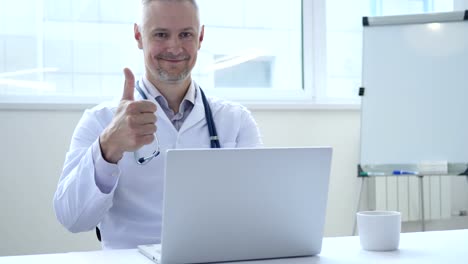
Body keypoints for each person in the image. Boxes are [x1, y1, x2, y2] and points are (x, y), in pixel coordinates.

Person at [53, 0, 262, 250]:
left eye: (185, 34)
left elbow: (258, 213)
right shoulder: (100, 120)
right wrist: (107, 147)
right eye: (161, 34)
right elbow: (72, 219)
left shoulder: (236, 121)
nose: (174, 47)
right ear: (138, 36)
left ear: (201, 37)